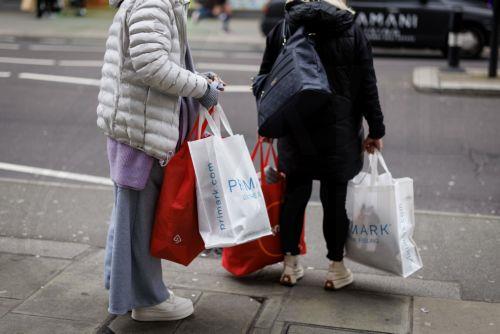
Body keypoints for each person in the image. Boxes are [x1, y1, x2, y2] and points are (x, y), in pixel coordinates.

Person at [96, 0, 222, 321]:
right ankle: (147, 300)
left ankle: (125, 287)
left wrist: (198, 78)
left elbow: (158, 59)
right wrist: (201, 88)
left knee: (129, 214)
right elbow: (150, 64)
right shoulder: (154, 1)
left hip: (137, 124)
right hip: (142, 129)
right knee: (138, 219)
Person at [255, 0, 385, 290]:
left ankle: (290, 266)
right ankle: (336, 269)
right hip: (339, 131)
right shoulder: (351, 29)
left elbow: (266, 80)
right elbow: (367, 85)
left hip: (295, 128)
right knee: (335, 200)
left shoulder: (286, 25)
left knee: (294, 196)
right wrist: (376, 129)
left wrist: (268, 124)